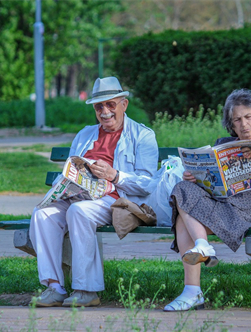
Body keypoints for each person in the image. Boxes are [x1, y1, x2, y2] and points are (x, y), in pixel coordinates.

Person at [29, 77, 159, 308]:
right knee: (42, 214)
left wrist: (115, 175)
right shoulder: (84, 135)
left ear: (124, 105)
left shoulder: (143, 135)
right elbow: (70, 170)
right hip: (80, 196)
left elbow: (148, 184)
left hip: (116, 200)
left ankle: (87, 290)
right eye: (99, 107)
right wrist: (62, 187)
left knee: (79, 212)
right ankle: (55, 287)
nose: (105, 111)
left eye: (111, 104)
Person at [163, 89, 251, 312]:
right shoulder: (224, 144)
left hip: (248, 213)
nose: (244, 124)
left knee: (182, 220)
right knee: (182, 187)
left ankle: (192, 290)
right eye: (237, 120)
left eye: (248, 117)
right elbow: (210, 182)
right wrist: (195, 177)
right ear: (231, 125)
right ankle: (202, 248)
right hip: (220, 205)